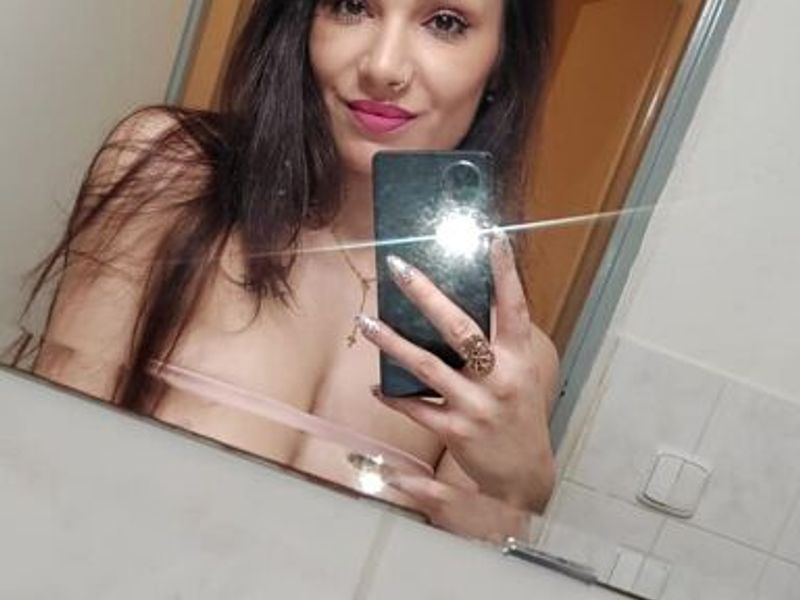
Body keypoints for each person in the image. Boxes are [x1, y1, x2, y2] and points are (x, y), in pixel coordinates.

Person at [15, 0, 557, 542]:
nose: (383, 66)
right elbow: (37, 470)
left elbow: (445, 578)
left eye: (445, 23)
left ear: (501, 60)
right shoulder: (168, 176)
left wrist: (518, 494)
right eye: (352, 5)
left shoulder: (504, 358)